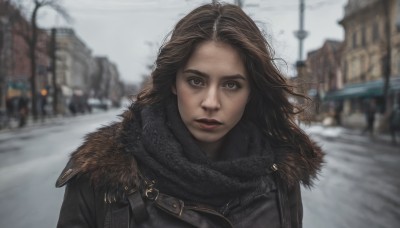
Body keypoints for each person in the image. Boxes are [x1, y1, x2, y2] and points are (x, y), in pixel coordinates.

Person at [55, 3, 324, 228]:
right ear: (173, 82)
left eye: (232, 85)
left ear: (252, 91)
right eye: (196, 81)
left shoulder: (280, 178)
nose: (211, 102)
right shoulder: (101, 175)